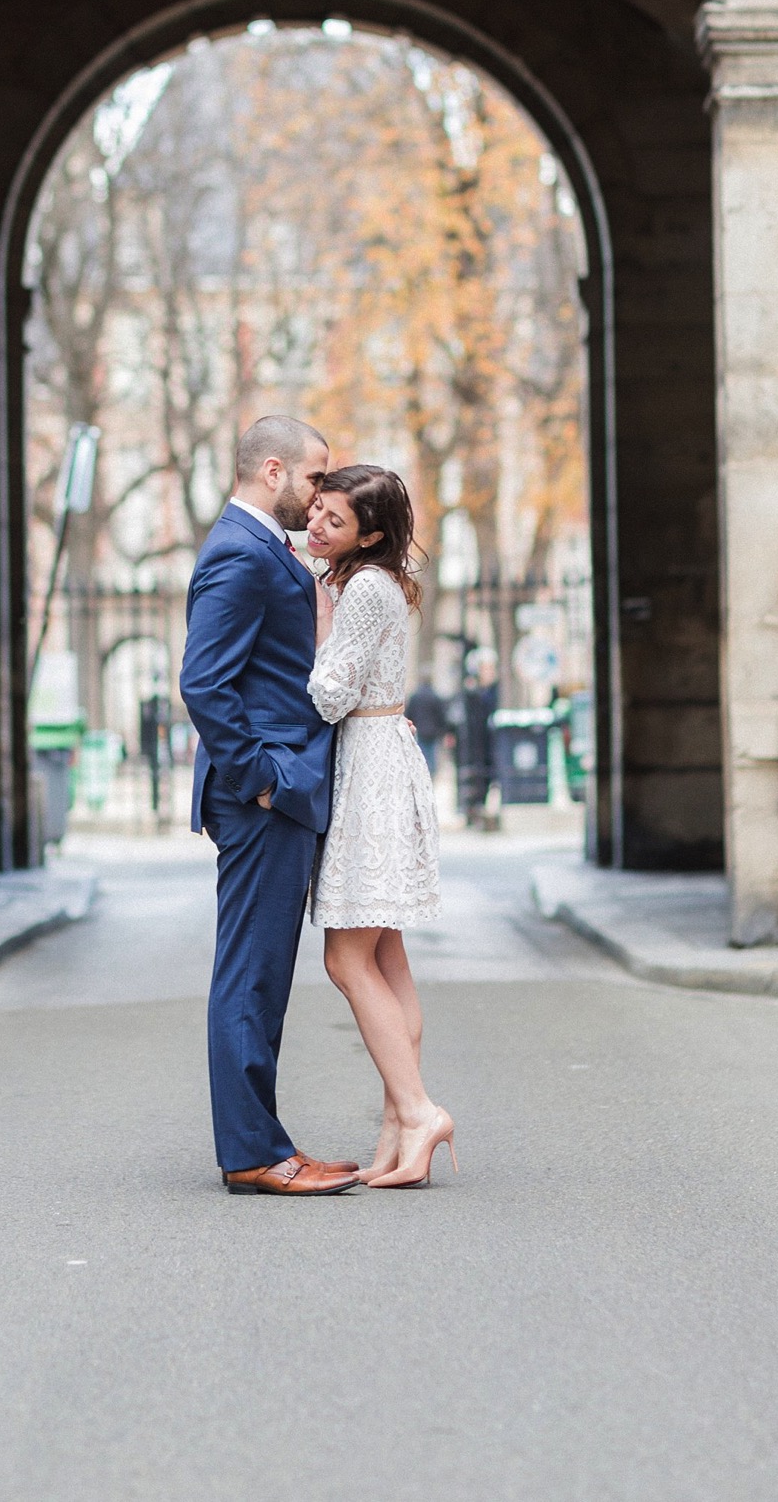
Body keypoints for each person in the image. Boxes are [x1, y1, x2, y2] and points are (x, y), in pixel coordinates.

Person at [179, 415, 359, 1198]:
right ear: (275, 470)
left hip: (274, 794)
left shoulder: (260, 550)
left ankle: (264, 1139)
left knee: (262, 977)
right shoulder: (240, 553)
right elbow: (203, 682)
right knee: (251, 976)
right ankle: (254, 1153)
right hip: (262, 799)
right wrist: (262, 779)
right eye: (318, 477)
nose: (324, 493)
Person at [307, 466, 456, 1188]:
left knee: (346, 959)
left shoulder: (361, 589)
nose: (315, 527)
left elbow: (331, 695)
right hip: (383, 758)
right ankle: (400, 1126)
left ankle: (420, 1110)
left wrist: (321, 625)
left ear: (369, 534)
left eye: (333, 521)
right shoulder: (375, 580)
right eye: (316, 512)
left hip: (368, 766)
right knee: (387, 954)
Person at [457, 647, 501, 827]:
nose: (490, 673)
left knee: (486, 777)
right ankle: (473, 811)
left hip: (488, 744)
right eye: (486, 669)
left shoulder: (494, 690)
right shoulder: (472, 692)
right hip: (474, 745)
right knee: (475, 778)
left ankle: (480, 810)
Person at [405, 676, 452, 788]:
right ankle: (430, 778)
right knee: (432, 757)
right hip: (433, 732)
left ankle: (422, 777)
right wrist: (443, 731)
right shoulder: (435, 696)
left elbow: (409, 713)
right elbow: (441, 715)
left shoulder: (415, 697)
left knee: (422, 754)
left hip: (420, 731)